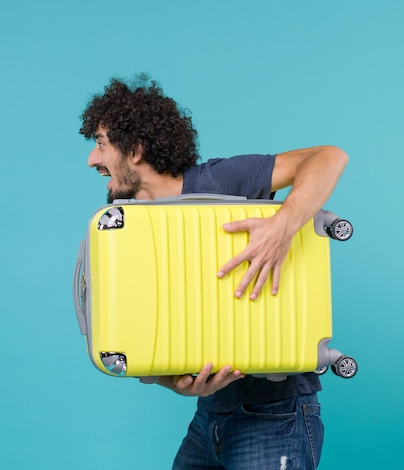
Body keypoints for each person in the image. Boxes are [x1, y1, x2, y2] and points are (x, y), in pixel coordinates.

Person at [79, 74, 348, 470]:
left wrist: (283, 225)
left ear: (134, 149)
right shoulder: (130, 228)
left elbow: (329, 157)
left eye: (100, 144)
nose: (92, 159)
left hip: (276, 415)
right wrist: (174, 382)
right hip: (210, 416)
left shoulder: (221, 180)